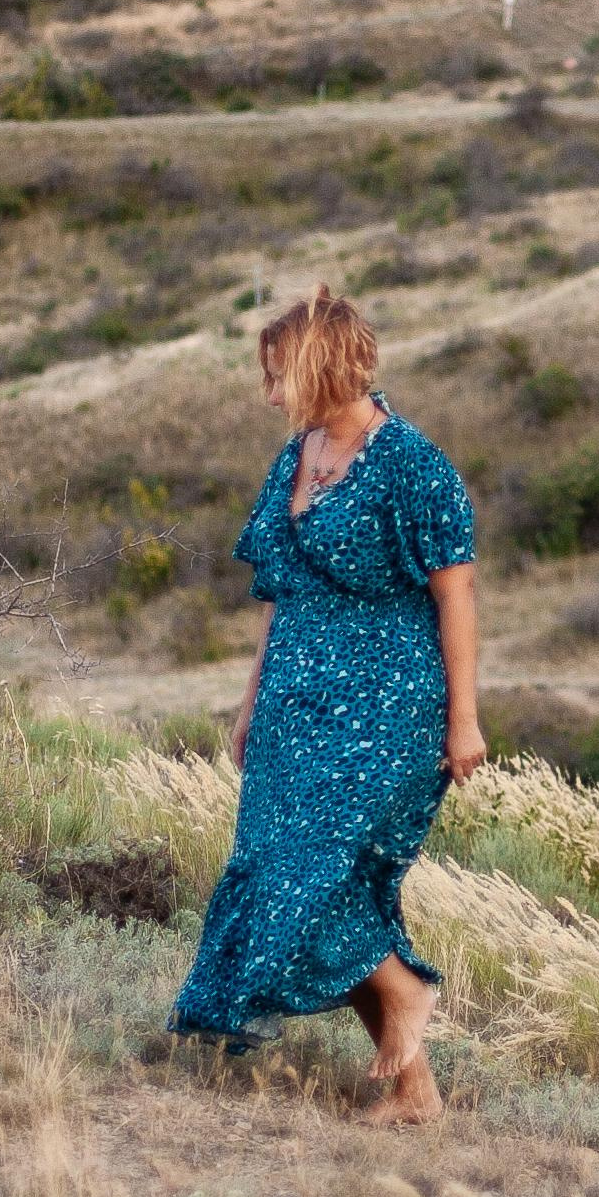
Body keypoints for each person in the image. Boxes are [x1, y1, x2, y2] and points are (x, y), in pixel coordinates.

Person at [169, 286, 485, 1124]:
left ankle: (406, 989)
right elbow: (278, 590)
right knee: (292, 873)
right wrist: (248, 703)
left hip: (386, 706)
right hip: (295, 704)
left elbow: (456, 596)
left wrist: (464, 719)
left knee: (315, 876)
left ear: (320, 365)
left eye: (279, 375)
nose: (269, 395)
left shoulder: (412, 462)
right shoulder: (294, 459)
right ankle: (416, 1094)